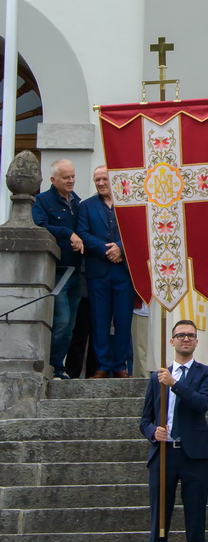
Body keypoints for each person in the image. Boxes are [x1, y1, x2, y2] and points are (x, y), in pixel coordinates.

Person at [138, 317, 208, 542]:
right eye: (180, 335)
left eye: (190, 336)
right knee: (159, 525)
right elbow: (144, 419)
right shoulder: (156, 377)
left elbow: (201, 404)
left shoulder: (205, 373)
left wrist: (175, 384)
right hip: (164, 454)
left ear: (196, 341)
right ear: (171, 341)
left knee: (195, 527)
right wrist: (152, 432)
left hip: (194, 456)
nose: (186, 339)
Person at [77, 164, 135, 378]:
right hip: (98, 271)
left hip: (124, 271)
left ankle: (120, 366)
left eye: (104, 179)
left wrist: (120, 247)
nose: (101, 183)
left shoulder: (129, 203)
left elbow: (137, 230)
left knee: (123, 320)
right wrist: (106, 250)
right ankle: (102, 366)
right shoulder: (86, 206)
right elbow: (83, 232)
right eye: (97, 180)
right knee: (99, 320)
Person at [32, 158, 84, 379]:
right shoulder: (42, 201)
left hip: (77, 271)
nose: (71, 180)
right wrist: (67, 233)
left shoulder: (78, 202)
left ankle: (58, 368)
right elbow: (40, 228)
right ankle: (51, 365)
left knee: (70, 326)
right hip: (58, 271)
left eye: (73, 176)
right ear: (53, 180)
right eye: (66, 177)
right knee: (61, 321)